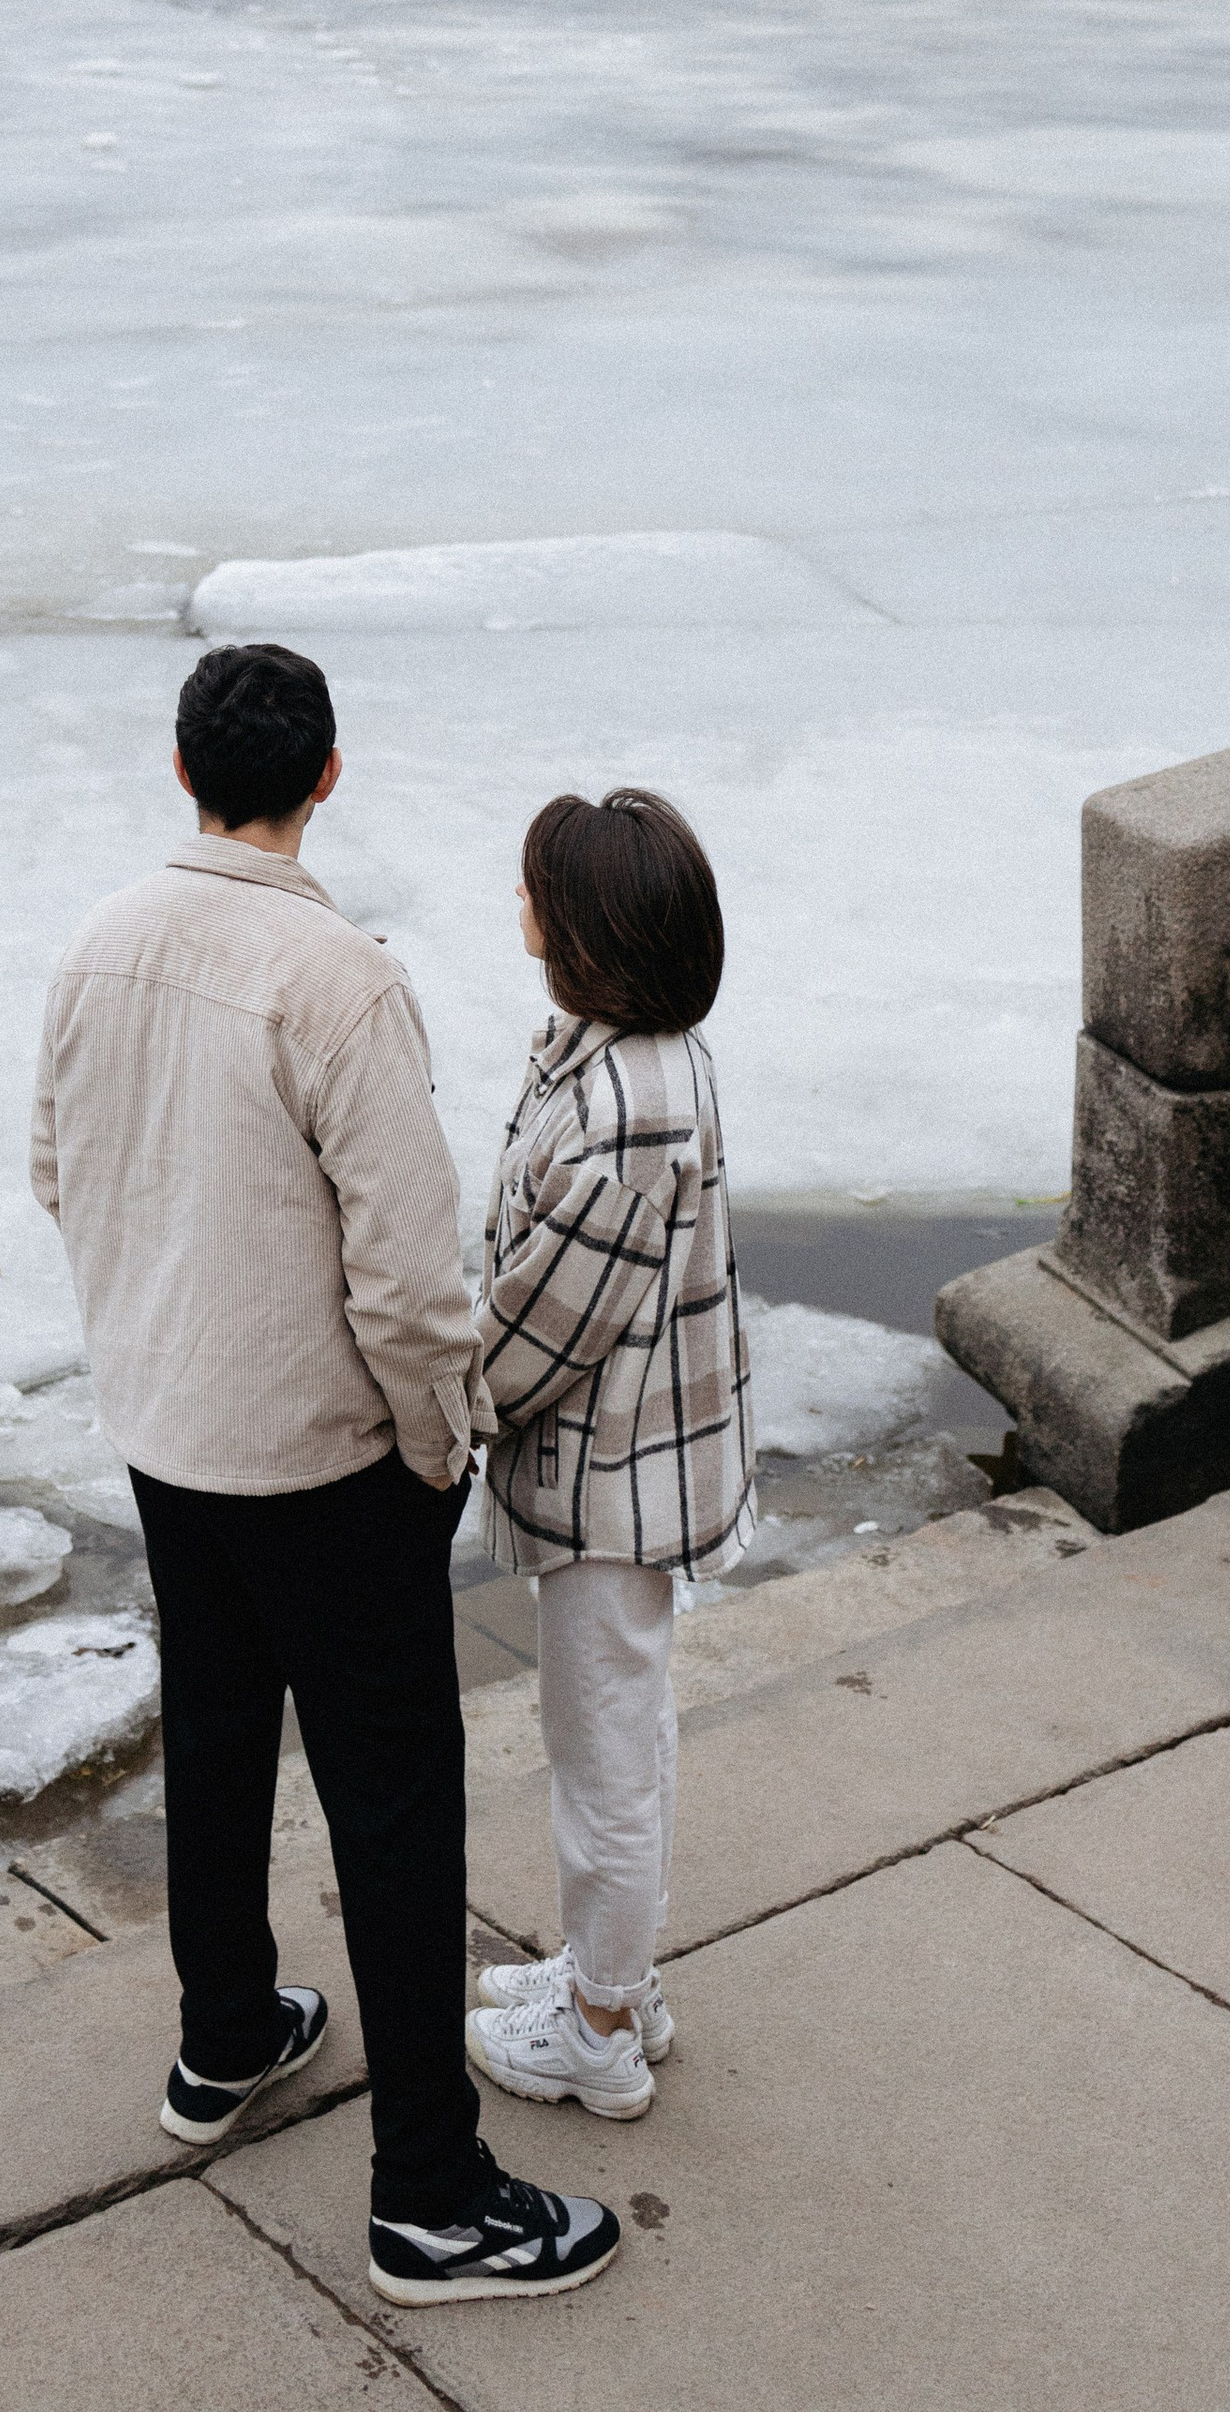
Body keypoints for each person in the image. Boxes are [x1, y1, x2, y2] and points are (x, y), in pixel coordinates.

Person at [32, 640, 619, 2305]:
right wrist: (437, 1447)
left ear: (183, 770)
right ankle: (428, 2194)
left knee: (217, 1736)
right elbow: (411, 1280)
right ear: (329, 777)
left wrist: (155, 1334)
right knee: (395, 1806)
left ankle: (227, 2034)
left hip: (171, 1435)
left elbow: (56, 1170)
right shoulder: (339, 980)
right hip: (322, 1457)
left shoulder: (97, 943)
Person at [464, 787, 755, 2120]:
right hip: (632, 1460)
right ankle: (614, 1981)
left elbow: (548, 1326)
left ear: (588, 927)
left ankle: (597, 2032)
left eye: (536, 886)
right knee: (622, 1740)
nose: (518, 901)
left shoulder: (632, 1100)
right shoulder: (632, 1055)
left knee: (605, 1761)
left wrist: (444, 1404)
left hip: (611, 1477)